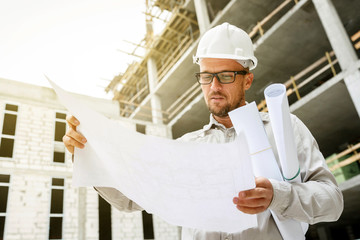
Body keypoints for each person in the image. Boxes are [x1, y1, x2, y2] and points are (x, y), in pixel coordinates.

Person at [63, 22, 343, 239]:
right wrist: (87, 154)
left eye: (226, 76)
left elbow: (332, 201)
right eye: (207, 76)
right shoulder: (186, 147)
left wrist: (279, 196)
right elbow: (130, 198)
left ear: (247, 80)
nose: (214, 87)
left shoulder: (286, 129)